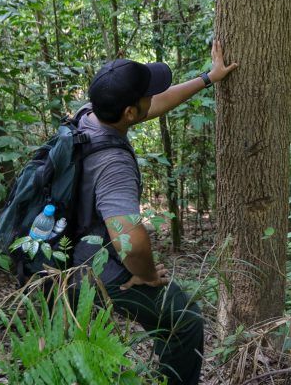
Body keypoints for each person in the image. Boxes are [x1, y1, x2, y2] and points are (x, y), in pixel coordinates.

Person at [71, 40, 238, 385]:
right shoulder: (113, 164)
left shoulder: (89, 116)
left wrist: (209, 78)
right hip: (92, 265)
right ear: (129, 112)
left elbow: (154, 104)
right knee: (184, 321)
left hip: (67, 252)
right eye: (144, 95)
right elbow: (130, 238)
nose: (152, 98)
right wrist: (146, 275)